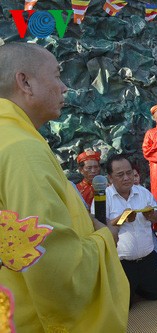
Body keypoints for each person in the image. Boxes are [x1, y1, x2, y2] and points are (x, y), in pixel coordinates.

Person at [0, 42, 128, 331]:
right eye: (57, 75)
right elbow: (53, 270)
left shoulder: (9, 137)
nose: (64, 87)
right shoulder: (22, 149)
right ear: (25, 82)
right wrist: (106, 237)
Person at [96, 154, 157, 304]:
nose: (127, 178)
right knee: (125, 305)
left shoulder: (143, 192)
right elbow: (99, 229)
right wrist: (122, 219)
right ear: (110, 178)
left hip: (147, 257)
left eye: (129, 173)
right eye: (120, 175)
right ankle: (131, 286)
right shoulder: (103, 198)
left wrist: (152, 215)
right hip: (122, 262)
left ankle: (138, 285)